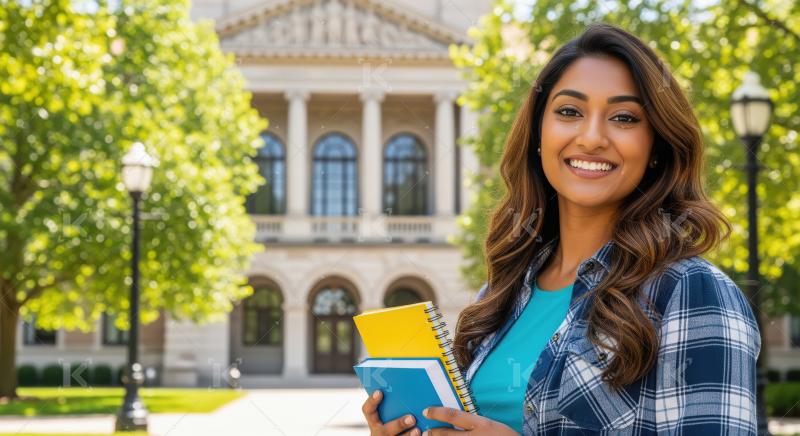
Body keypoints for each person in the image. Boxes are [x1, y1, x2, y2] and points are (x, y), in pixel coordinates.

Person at [361, 22, 761, 436]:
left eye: (623, 118)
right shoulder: (502, 295)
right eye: (569, 112)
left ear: (656, 146)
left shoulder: (691, 292)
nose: (591, 138)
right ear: (538, 133)